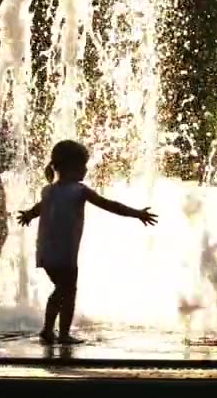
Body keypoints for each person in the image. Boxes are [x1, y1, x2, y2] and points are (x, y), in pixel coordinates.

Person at [17, 140, 157, 345]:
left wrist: (29, 214)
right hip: (65, 252)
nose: (85, 169)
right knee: (68, 291)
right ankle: (60, 333)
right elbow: (110, 205)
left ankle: (48, 331)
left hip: (46, 251)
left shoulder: (49, 191)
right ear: (68, 167)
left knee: (61, 289)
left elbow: (39, 208)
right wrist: (136, 214)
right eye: (82, 165)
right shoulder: (79, 190)